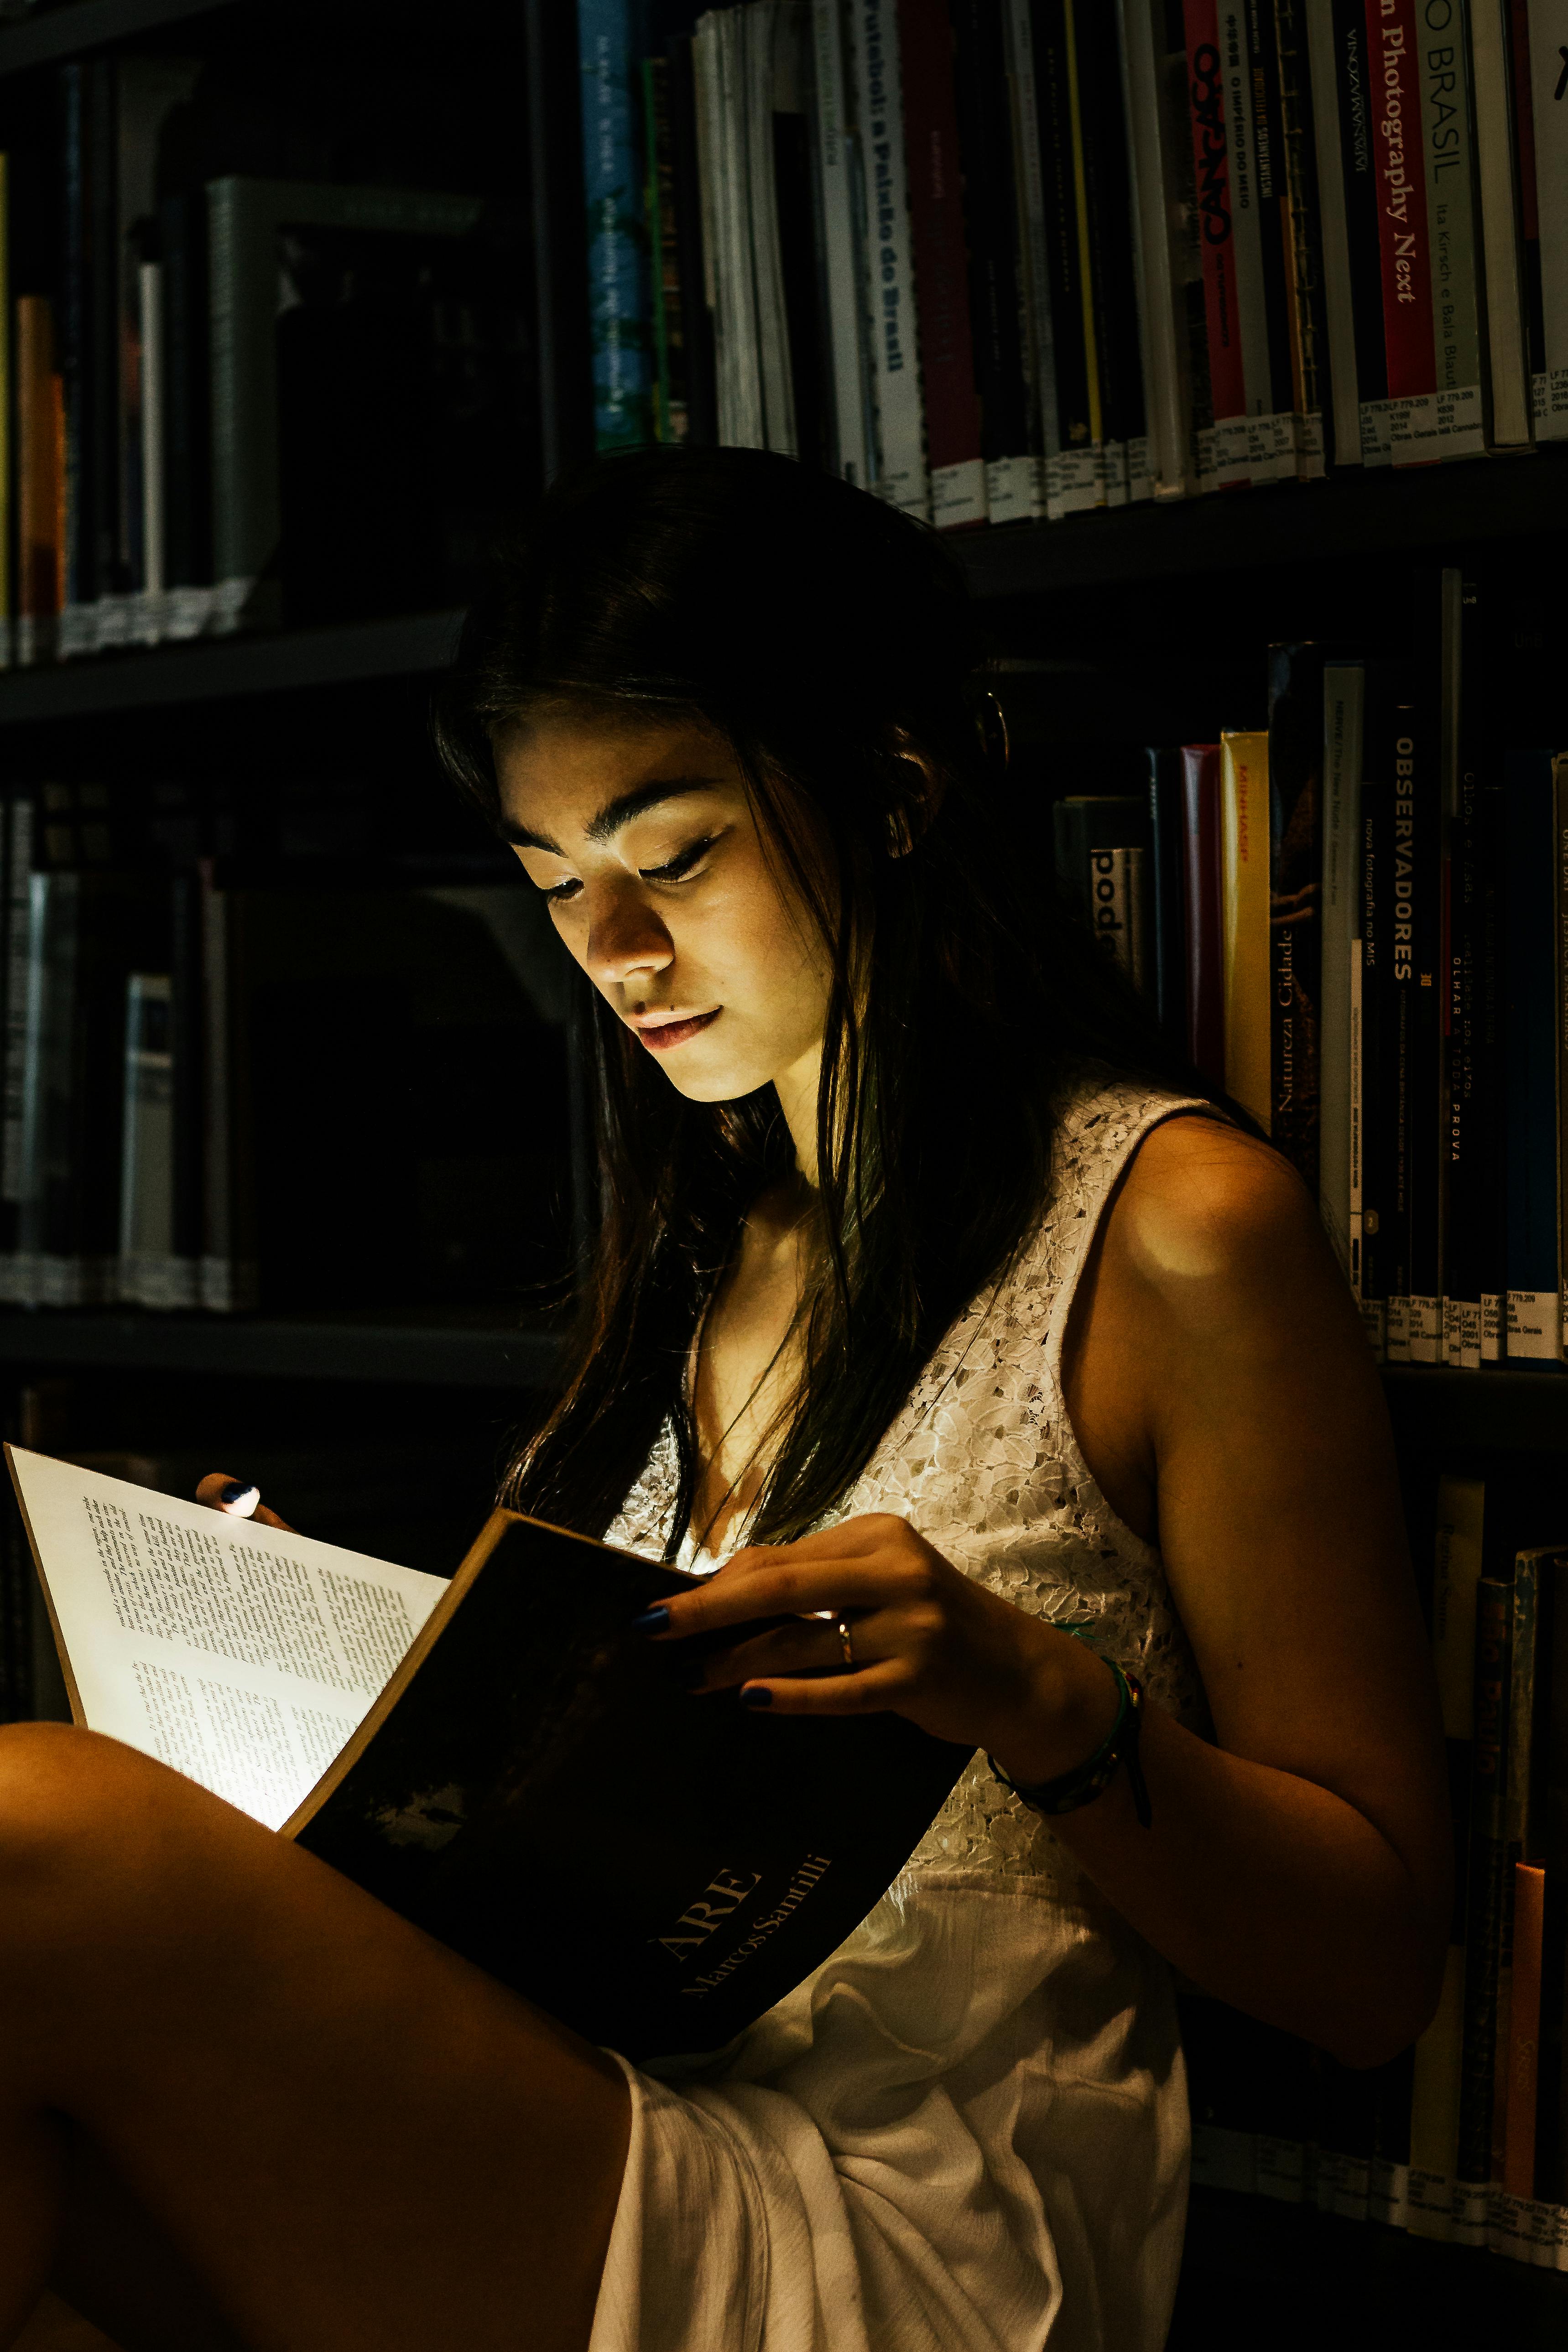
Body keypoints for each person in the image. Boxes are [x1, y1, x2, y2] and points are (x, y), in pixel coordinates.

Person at [0, 450, 1447, 2352]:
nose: (611, 951)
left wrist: (1023, 1694)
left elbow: (1368, 1965)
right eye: (553, 887)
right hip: (617, 2095)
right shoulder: (708, 1234)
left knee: (35, 1829)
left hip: (906, 2219)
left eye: (671, 855)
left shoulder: (1173, 1230)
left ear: (897, 788)